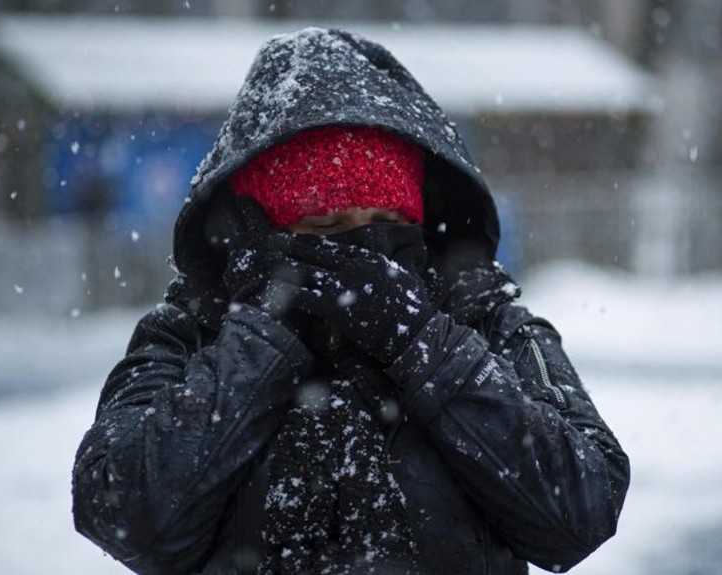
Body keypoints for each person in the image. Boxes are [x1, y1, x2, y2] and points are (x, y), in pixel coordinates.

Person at [72, 27, 629, 575]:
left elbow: (581, 511)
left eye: (389, 220)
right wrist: (264, 338)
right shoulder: (192, 332)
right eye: (327, 225)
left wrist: (421, 340)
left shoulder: (484, 320)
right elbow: (123, 514)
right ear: (261, 229)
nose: (366, 250)